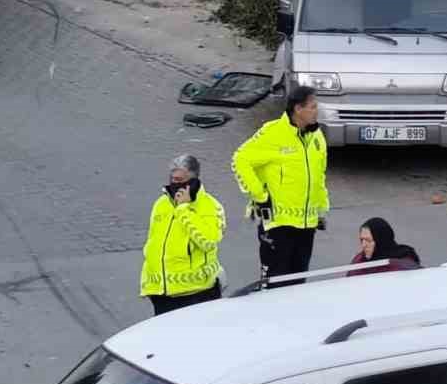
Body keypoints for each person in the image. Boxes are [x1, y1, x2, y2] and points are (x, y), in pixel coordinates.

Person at [232, 86, 329, 289]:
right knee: (275, 285)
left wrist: (320, 210)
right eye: (312, 107)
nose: (316, 111)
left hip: (307, 225)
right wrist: (259, 195)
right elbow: (240, 160)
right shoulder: (273, 132)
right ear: (298, 109)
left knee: (297, 285)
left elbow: (318, 177)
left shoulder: (317, 137)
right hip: (278, 225)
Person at [139, 154, 227, 315]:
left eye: (180, 181)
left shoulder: (211, 206)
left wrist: (184, 210)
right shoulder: (161, 204)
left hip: (196, 293)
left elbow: (208, 241)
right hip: (161, 294)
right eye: (173, 179)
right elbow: (154, 241)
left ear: (193, 182)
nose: (175, 185)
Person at [348, 218, 422, 276]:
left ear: (381, 240)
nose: (363, 245)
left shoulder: (402, 265)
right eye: (362, 240)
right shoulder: (359, 260)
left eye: (368, 240)